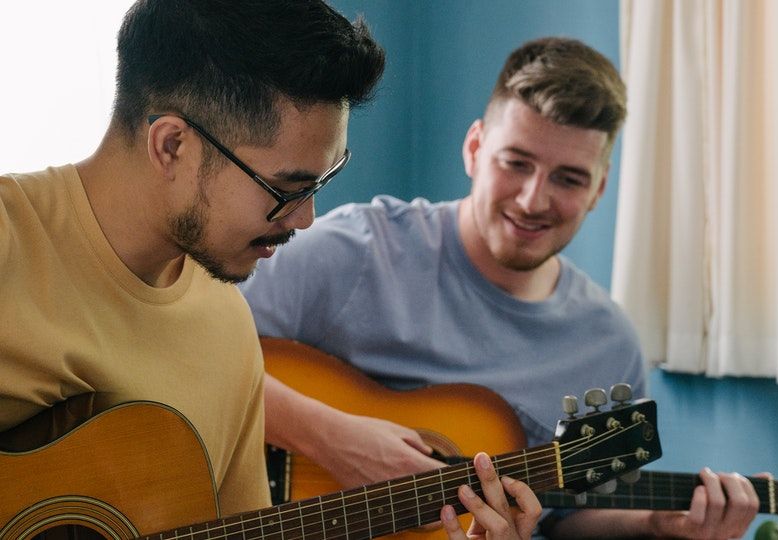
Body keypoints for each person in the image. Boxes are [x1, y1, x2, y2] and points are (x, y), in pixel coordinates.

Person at [1, 1, 539, 535]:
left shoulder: (226, 329)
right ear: (172, 146)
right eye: (286, 190)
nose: (306, 220)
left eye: (320, 185)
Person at [240, 37, 760, 538]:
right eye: (516, 163)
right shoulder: (353, 251)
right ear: (474, 149)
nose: (534, 200)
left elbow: (572, 513)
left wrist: (656, 525)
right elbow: (188, 352)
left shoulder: (607, 344)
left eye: (569, 178)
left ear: (599, 189)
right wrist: (332, 439)